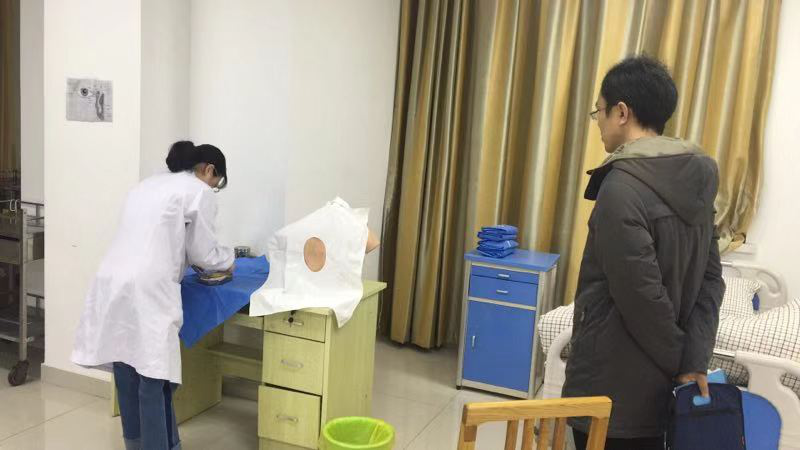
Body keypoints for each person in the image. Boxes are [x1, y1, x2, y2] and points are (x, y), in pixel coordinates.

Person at [562, 56, 725, 450]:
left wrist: (682, 364)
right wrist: (692, 361)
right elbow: (711, 281)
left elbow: (641, 299)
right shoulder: (698, 180)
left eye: (598, 111)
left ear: (621, 113)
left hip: (612, 394)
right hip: (659, 396)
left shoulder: (621, 187)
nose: (597, 123)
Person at [72, 141, 235, 450]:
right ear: (209, 170)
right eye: (217, 183)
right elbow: (204, 254)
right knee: (154, 377)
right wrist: (229, 260)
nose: (213, 188)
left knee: (127, 368)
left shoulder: (148, 184)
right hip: (148, 287)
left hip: (111, 279)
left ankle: (137, 444)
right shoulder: (198, 191)